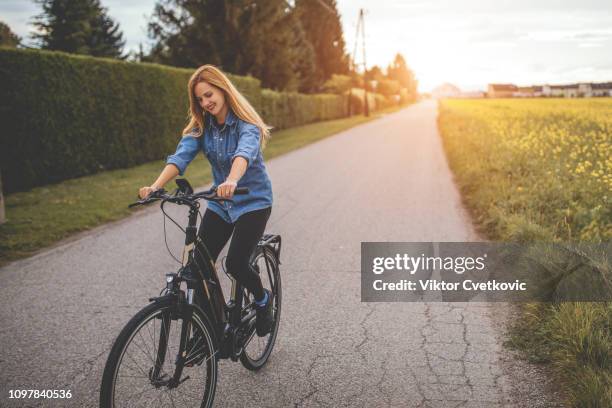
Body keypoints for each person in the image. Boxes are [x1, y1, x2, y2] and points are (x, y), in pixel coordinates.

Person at [138, 65, 274, 336]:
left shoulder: (247, 126)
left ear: (223, 90)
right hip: (221, 204)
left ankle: (262, 299)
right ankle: (211, 329)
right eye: (200, 99)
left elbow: (243, 154)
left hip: (253, 202)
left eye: (209, 94)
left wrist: (232, 180)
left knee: (235, 263)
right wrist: (155, 187)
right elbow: (181, 157)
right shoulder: (203, 128)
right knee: (196, 269)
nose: (206, 102)